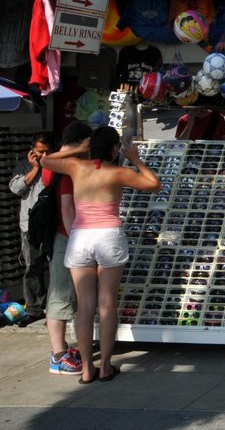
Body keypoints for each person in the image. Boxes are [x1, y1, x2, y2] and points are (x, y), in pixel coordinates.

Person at [42, 126, 161, 383]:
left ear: (91, 147)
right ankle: (105, 366)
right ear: (115, 149)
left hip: (80, 237)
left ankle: (86, 369)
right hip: (108, 235)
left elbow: (45, 160)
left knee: (84, 308)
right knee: (107, 304)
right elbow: (154, 184)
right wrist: (136, 159)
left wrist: (78, 149)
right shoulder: (119, 172)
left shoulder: (77, 167)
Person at [46, 121, 93, 375]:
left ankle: (62, 351)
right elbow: (67, 210)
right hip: (68, 238)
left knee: (65, 297)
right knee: (61, 298)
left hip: (66, 237)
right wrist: (77, 240)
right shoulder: (65, 170)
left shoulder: (61, 166)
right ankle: (58, 355)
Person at [8, 131, 54, 325]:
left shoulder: (57, 165)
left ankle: (53, 309)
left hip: (53, 223)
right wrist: (35, 168)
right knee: (32, 268)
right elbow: (16, 188)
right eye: (39, 152)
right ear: (32, 151)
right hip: (29, 225)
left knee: (55, 267)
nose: (43, 155)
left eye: (46, 152)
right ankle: (34, 308)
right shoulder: (23, 165)